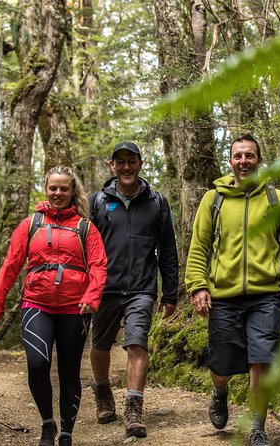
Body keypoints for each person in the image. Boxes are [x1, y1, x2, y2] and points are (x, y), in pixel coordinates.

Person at [185, 133, 280, 446]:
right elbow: (198, 247)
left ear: (259, 160)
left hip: (266, 295)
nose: (244, 161)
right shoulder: (212, 200)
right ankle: (219, 391)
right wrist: (198, 286)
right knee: (222, 365)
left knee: (262, 359)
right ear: (230, 161)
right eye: (238, 156)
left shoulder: (277, 199)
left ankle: (258, 426)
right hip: (224, 296)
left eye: (249, 155)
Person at [0, 166, 108, 446]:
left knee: (68, 371)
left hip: (75, 308)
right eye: (53, 187)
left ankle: (66, 433)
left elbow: (99, 265)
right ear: (46, 189)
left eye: (64, 188)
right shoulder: (31, 224)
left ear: (73, 191)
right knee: (38, 364)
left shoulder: (85, 227)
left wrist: (92, 296)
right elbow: (11, 266)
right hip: (36, 303)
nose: (58, 193)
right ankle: (47, 423)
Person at [88, 141, 179, 438]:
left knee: (137, 344)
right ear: (112, 166)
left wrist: (171, 292)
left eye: (131, 161)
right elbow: (84, 248)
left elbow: (168, 248)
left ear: (140, 164)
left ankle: (133, 407)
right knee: (100, 347)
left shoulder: (156, 202)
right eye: (120, 162)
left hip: (142, 288)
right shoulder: (98, 201)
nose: (126, 167)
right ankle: (102, 390)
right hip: (105, 287)